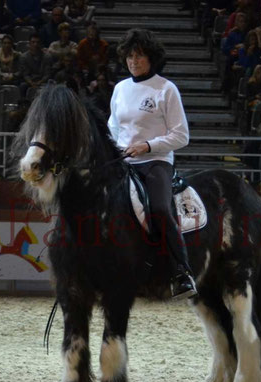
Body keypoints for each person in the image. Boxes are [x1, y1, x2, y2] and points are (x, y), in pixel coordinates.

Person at [107, 28, 196, 299]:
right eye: (129, 56)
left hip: (155, 161)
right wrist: (116, 148)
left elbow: (181, 135)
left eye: (139, 56)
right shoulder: (120, 88)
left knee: (159, 208)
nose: (133, 61)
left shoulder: (166, 89)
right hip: (123, 162)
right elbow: (112, 126)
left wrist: (146, 146)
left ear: (151, 58)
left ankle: (182, 272)